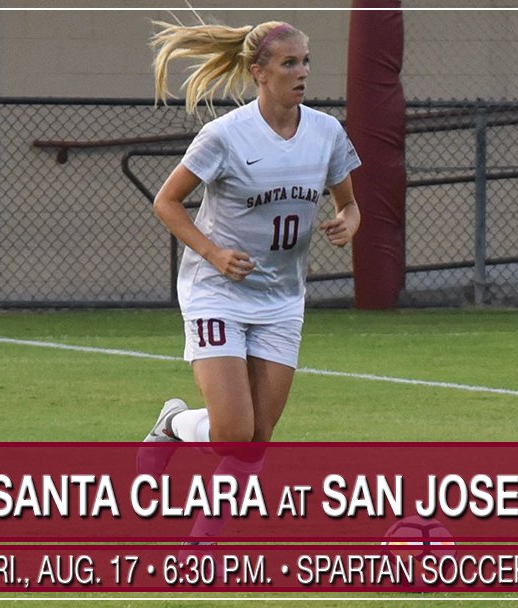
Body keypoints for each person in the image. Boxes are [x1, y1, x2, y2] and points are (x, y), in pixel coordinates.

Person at [141, 20, 360, 537]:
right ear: (259, 73)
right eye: (289, 63)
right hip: (217, 292)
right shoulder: (225, 134)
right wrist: (214, 253)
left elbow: (350, 205)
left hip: (283, 298)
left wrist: (345, 224)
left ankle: (201, 544)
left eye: (306, 61)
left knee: (257, 439)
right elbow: (166, 203)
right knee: (233, 435)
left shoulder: (326, 132)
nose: (302, 72)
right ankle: (173, 423)